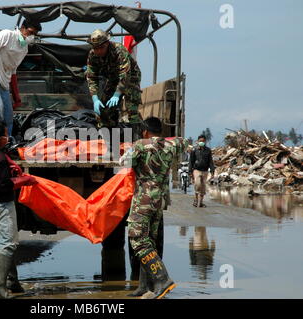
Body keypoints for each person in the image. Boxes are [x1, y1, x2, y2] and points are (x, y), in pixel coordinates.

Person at [120, 117, 188, 299]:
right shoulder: (171, 146)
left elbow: (124, 162)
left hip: (144, 199)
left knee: (138, 239)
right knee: (150, 240)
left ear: (145, 131)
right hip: (160, 200)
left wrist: (134, 146)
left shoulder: (141, 145)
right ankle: (145, 287)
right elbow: (184, 142)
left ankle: (162, 279)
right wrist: (168, 141)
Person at [0, 120, 37, 298]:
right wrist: (26, 181)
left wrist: (10, 162)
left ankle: (13, 282)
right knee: (8, 244)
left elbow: (3, 161)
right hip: (1, 204)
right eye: (5, 135)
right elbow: (4, 185)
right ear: (0, 139)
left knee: (5, 240)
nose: (8, 138)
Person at [0, 19, 43, 136]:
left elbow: (13, 71)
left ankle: (7, 141)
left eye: (34, 34)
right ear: (23, 28)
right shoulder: (7, 35)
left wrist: (16, 96)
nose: (32, 36)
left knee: (8, 115)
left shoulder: (24, 49)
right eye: (30, 32)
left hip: (5, 81)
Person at [86, 29, 143, 139]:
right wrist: (95, 98)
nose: (98, 51)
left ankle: (137, 139)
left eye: (100, 48)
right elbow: (91, 77)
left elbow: (125, 75)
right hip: (112, 78)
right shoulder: (92, 55)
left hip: (131, 78)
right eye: (95, 48)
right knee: (104, 109)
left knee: (132, 108)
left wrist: (117, 95)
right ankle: (109, 138)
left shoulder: (119, 50)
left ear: (107, 44)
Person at [189, 135, 215, 207]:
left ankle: (200, 202)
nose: (201, 142)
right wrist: (190, 172)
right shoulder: (194, 150)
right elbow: (191, 161)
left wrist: (212, 171)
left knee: (203, 186)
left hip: (205, 170)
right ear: (197, 141)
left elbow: (210, 161)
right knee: (197, 184)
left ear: (205, 141)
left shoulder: (208, 150)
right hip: (196, 170)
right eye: (200, 141)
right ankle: (196, 199)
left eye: (203, 141)